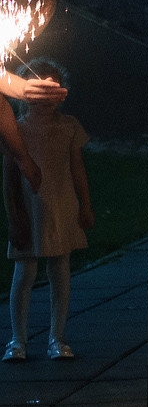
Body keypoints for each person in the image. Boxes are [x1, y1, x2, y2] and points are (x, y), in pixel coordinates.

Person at [6, 60, 90, 361]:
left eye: (50, 89)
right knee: (24, 273)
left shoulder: (69, 128)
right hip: (30, 212)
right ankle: (17, 342)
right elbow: (10, 177)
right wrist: (14, 216)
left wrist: (86, 205)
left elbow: (77, 168)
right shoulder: (16, 130)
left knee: (60, 272)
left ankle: (57, 339)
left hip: (61, 209)